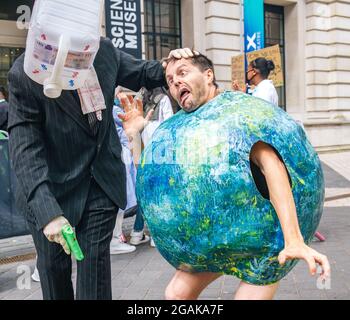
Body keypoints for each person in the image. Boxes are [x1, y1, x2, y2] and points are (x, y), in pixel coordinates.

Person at [120, 52, 331, 300]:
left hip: (262, 243)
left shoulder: (239, 113)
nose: (175, 82)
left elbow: (271, 162)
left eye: (183, 72)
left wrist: (293, 238)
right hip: (209, 245)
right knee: (175, 295)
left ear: (208, 75)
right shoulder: (176, 128)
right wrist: (134, 135)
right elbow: (149, 176)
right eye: (169, 79)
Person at [7, 35, 191, 300]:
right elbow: (25, 149)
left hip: (100, 181)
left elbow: (142, 72)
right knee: (54, 273)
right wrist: (48, 214)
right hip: (50, 190)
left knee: (94, 273)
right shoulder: (26, 72)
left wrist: (174, 65)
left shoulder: (101, 49)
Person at [125, 87, 174, 247]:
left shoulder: (140, 97)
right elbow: (169, 123)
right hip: (159, 150)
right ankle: (155, 235)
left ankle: (137, 232)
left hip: (141, 148)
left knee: (143, 191)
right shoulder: (164, 99)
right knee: (158, 192)